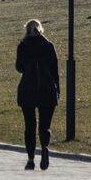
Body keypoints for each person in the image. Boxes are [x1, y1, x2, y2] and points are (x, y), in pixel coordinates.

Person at [15, 20, 60, 171]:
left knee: (30, 125)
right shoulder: (48, 46)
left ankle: (30, 159)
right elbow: (55, 70)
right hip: (47, 89)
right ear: (40, 29)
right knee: (45, 125)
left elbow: (19, 67)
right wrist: (57, 90)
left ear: (27, 30)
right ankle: (45, 147)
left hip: (28, 89)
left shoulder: (23, 46)